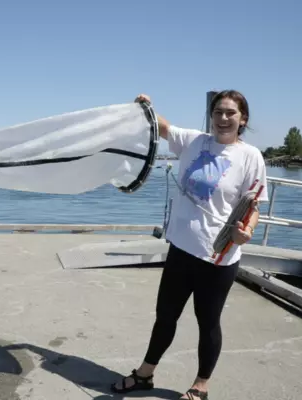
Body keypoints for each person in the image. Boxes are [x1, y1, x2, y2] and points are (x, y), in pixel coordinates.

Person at [110, 90, 269, 400]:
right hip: (181, 249)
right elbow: (163, 127)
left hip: (218, 257)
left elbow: (254, 206)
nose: (223, 118)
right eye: (218, 112)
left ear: (243, 119)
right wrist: (146, 108)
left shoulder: (250, 157)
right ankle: (145, 374)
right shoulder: (194, 141)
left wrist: (246, 232)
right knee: (165, 316)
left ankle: (200, 386)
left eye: (230, 113)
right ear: (211, 116)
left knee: (207, 323)